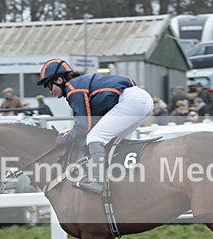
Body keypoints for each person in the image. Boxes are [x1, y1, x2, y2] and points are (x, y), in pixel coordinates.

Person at [38, 58, 154, 194]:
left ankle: (98, 181)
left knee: (95, 137)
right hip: (140, 100)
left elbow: (82, 127)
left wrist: (63, 139)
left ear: (59, 80)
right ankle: (120, 179)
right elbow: (88, 124)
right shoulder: (80, 84)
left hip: (132, 101)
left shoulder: (72, 88)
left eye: (49, 86)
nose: (50, 91)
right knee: (110, 141)